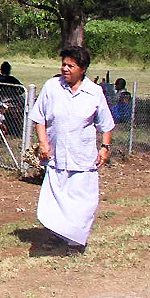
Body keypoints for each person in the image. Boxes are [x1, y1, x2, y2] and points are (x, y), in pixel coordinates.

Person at [29, 45, 115, 255]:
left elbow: (106, 124)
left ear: (83, 69)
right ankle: (56, 234)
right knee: (57, 200)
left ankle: (76, 241)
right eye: (63, 64)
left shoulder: (94, 93)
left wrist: (105, 147)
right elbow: (39, 118)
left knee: (82, 202)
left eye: (71, 65)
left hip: (82, 158)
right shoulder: (52, 87)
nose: (65, 69)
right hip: (57, 158)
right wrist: (43, 143)